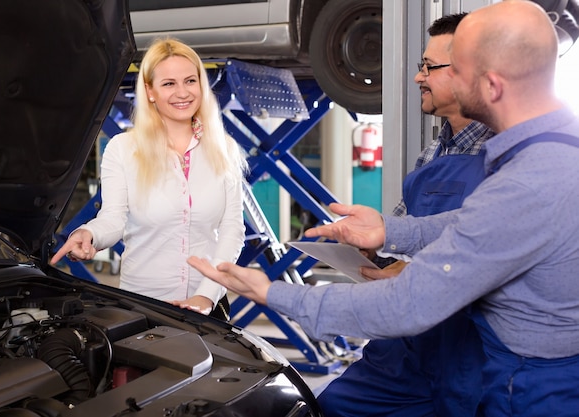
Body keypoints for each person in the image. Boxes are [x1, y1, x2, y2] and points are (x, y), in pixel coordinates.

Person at [187, 1, 579, 415]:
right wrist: (392, 231)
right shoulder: (557, 149)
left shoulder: (527, 183)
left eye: (457, 71)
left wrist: (271, 292)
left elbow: (408, 304)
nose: (420, 78)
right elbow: (474, 223)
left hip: (533, 388)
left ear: (493, 85)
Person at [315, 12, 494, 417]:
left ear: (470, 71)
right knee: (330, 407)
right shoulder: (433, 151)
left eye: (429, 67)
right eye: (420, 66)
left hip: (469, 351)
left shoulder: (507, 154)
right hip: (407, 349)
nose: (419, 77)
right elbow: (401, 229)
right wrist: (366, 248)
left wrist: (416, 270)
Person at [52, 38, 248, 319]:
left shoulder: (224, 149)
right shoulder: (123, 149)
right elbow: (113, 219)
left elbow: (232, 231)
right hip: (142, 306)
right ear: (150, 91)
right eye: (169, 83)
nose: (183, 92)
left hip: (206, 306)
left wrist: (205, 295)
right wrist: (89, 234)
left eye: (190, 81)